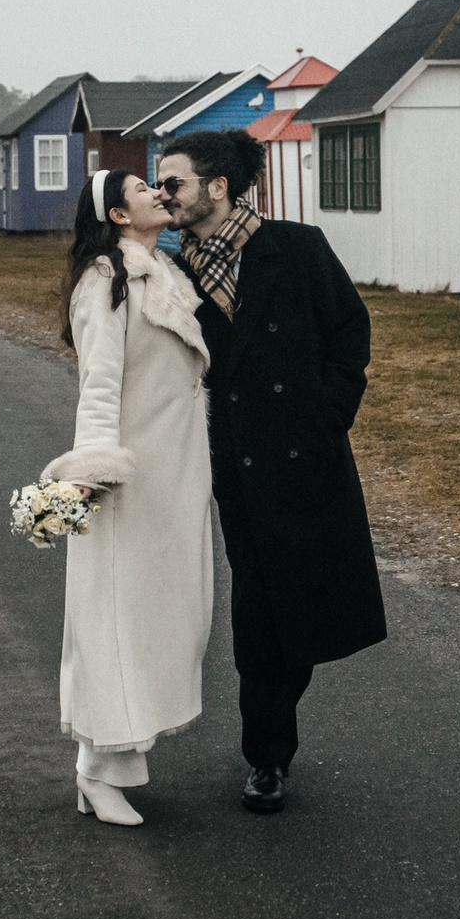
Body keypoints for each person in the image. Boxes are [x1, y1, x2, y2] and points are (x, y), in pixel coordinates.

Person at [155, 129, 384, 814]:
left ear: (217, 187)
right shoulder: (174, 274)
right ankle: (268, 757)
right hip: (238, 468)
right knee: (259, 611)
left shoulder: (299, 247)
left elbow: (350, 329)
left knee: (308, 604)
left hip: (308, 458)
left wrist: (328, 411)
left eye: (174, 183)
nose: (164, 195)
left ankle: (273, 734)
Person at [43, 168, 216, 827]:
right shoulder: (104, 284)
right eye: (144, 187)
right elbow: (98, 385)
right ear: (117, 213)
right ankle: (95, 768)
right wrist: (90, 474)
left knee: (158, 619)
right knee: (113, 618)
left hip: (173, 477)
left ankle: (115, 763)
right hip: (128, 479)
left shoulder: (160, 272)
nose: (158, 192)